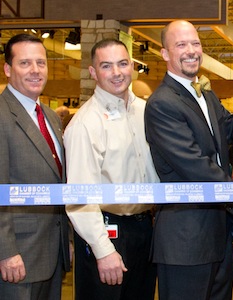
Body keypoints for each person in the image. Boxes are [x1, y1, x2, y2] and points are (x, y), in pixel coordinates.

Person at [144, 20, 233, 300]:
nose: (191, 51)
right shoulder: (162, 103)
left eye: (195, 43)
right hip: (185, 243)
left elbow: (227, 126)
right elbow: (194, 166)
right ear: (165, 53)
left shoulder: (205, 93)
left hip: (217, 238)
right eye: (181, 45)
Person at [64, 39, 159, 300]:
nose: (117, 73)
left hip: (144, 230)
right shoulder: (85, 124)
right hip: (107, 231)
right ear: (93, 72)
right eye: (106, 66)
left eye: (122, 63)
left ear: (132, 66)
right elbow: (79, 199)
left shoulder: (144, 111)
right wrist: (103, 249)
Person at [0, 33, 70, 300]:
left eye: (41, 63)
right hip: (18, 255)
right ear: (8, 69)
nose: (35, 70)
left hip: (53, 254)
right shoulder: (2, 115)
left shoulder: (51, 117)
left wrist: (67, 240)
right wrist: (5, 251)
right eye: (25, 63)